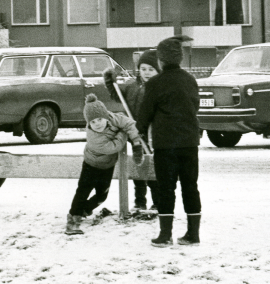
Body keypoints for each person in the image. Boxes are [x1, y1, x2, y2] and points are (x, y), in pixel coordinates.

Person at [136, 36, 201, 248]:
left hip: (166, 145)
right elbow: (195, 106)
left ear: (161, 60)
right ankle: (193, 234)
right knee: (190, 187)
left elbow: (145, 114)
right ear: (179, 59)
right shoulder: (190, 80)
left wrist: (140, 134)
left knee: (166, 189)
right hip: (190, 143)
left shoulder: (155, 84)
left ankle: (165, 235)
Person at [65, 94, 144, 235]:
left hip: (107, 167)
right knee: (83, 191)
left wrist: (136, 141)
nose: (98, 124)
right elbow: (114, 146)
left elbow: (130, 124)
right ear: (89, 124)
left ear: (106, 116)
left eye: (100, 119)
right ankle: (73, 219)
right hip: (91, 165)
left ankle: (85, 209)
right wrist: (123, 133)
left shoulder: (113, 118)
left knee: (102, 196)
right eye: (93, 122)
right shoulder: (93, 137)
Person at [103, 49, 160, 211]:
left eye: (151, 69)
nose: (147, 73)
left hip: (150, 134)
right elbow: (118, 96)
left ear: (158, 70)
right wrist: (110, 83)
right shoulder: (133, 87)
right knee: (138, 169)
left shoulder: (158, 88)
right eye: (143, 69)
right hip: (134, 135)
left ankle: (157, 202)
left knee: (151, 169)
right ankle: (139, 202)